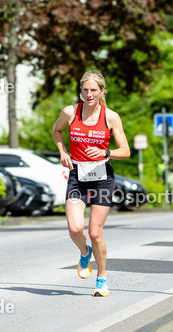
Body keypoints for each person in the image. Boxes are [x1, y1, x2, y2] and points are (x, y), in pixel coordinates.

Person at [52, 70, 130, 297]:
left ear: (101, 92)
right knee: (75, 229)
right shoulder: (70, 112)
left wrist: (105, 151)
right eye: (85, 90)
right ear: (81, 91)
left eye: (93, 90)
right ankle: (84, 253)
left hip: (102, 178)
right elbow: (57, 131)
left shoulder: (111, 117)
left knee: (95, 233)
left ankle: (102, 279)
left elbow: (125, 151)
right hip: (78, 176)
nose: (89, 94)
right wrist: (63, 151)